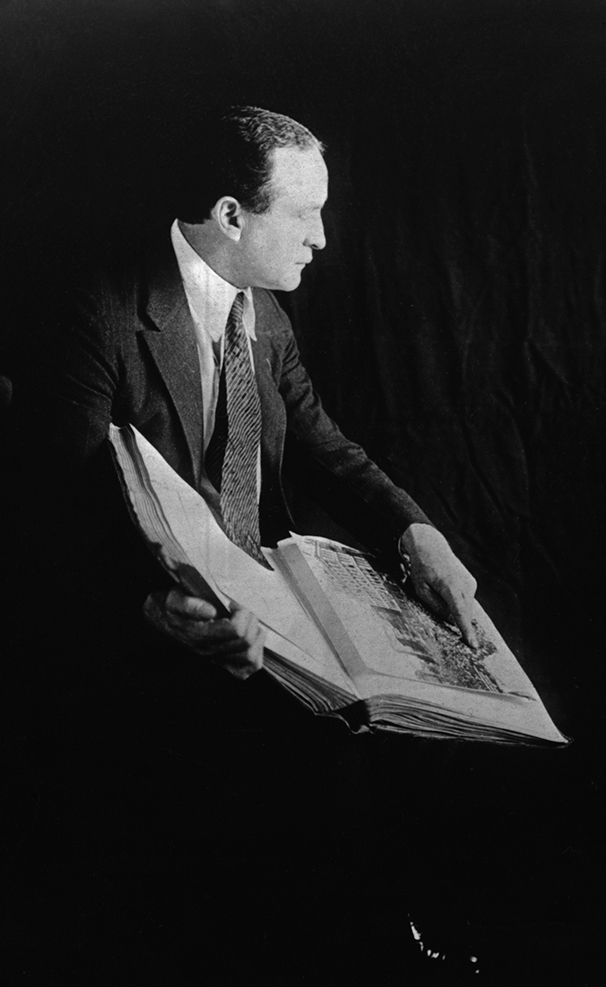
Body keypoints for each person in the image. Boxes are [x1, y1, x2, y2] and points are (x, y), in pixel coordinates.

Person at [7, 105, 487, 979]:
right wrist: (153, 606)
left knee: (416, 716)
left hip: (262, 592)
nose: (323, 239)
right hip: (138, 627)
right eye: (304, 215)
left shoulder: (261, 311)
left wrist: (420, 536)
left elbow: (325, 443)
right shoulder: (99, 307)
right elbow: (47, 511)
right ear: (232, 215)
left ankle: (386, 936)